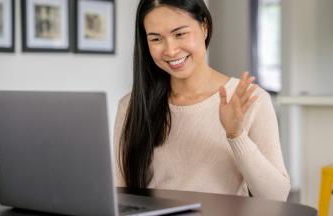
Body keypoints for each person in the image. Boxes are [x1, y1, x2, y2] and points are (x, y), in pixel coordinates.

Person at [114, 0, 290, 201]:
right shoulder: (132, 106)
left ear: (204, 27)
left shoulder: (250, 99)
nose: (170, 50)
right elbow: (120, 193)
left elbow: (276, 197)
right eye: (156, 39)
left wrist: (236, 135)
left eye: (180, 34)